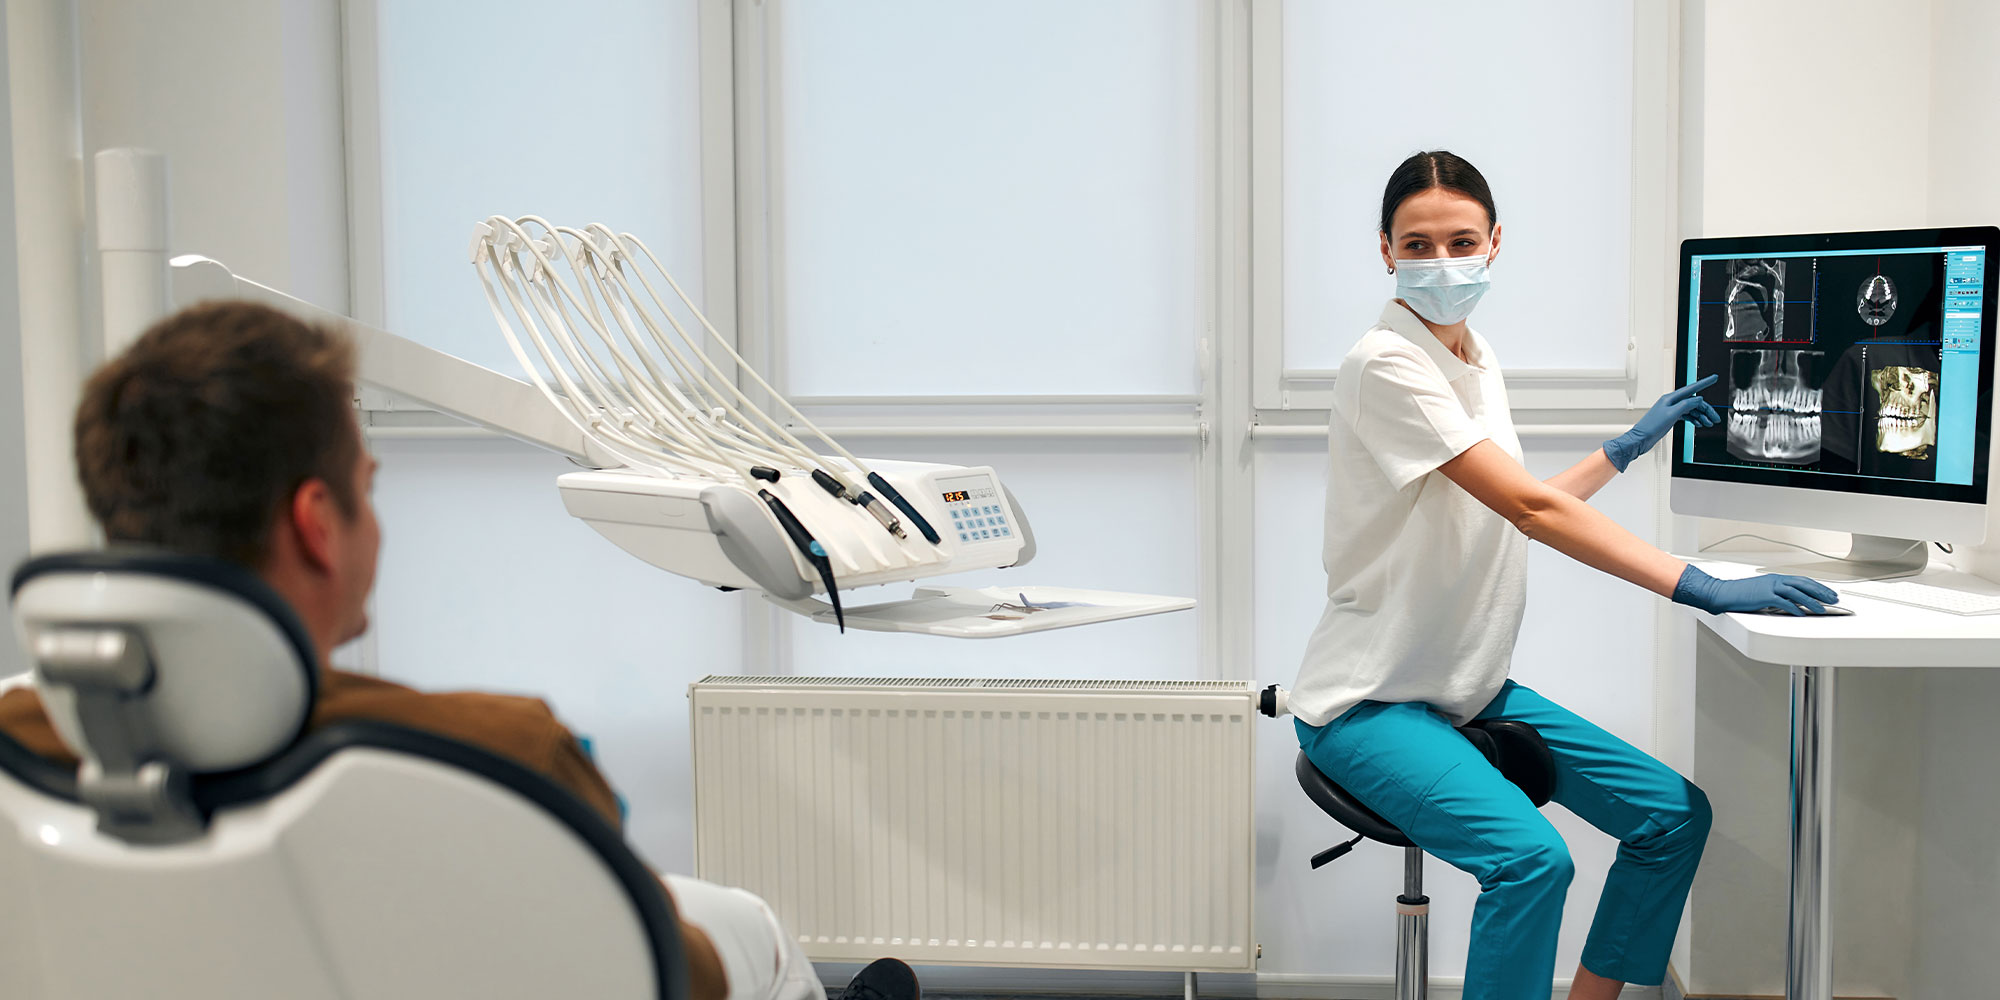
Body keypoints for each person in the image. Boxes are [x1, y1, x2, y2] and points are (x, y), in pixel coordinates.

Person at [0, 300, 917, 1000]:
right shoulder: (501, 753)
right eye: (369, 483)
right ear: (319, 524)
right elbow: (663, 970)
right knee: (749, 930)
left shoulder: (23, 741)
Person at [1290, 151, 1839, 1000]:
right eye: (1418, 243)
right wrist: (1697, 582)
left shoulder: (1471, 356)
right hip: (1368, 703)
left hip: (1461, 687)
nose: (1442, 260)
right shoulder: (1387, 363)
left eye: (1461, 239)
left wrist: (1621, 451)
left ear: (1496, 241)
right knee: (1530, 861)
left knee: (1670, 816)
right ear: (1386, 252)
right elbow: (1530, 513)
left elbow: (1509, 505)